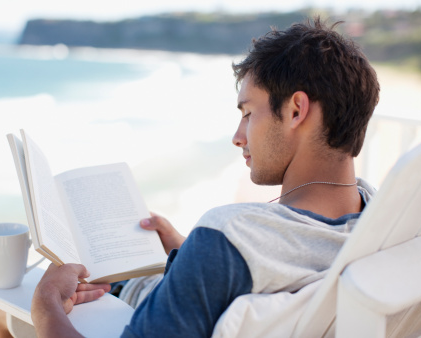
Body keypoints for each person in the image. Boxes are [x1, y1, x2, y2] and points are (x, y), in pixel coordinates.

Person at [31, 16, 380, 337]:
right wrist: (190, 250)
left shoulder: (227, 236)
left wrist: (45, 306)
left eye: (248, 113)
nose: (238, 136)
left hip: (127, 301)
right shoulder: (381, 222)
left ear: (295, 110)